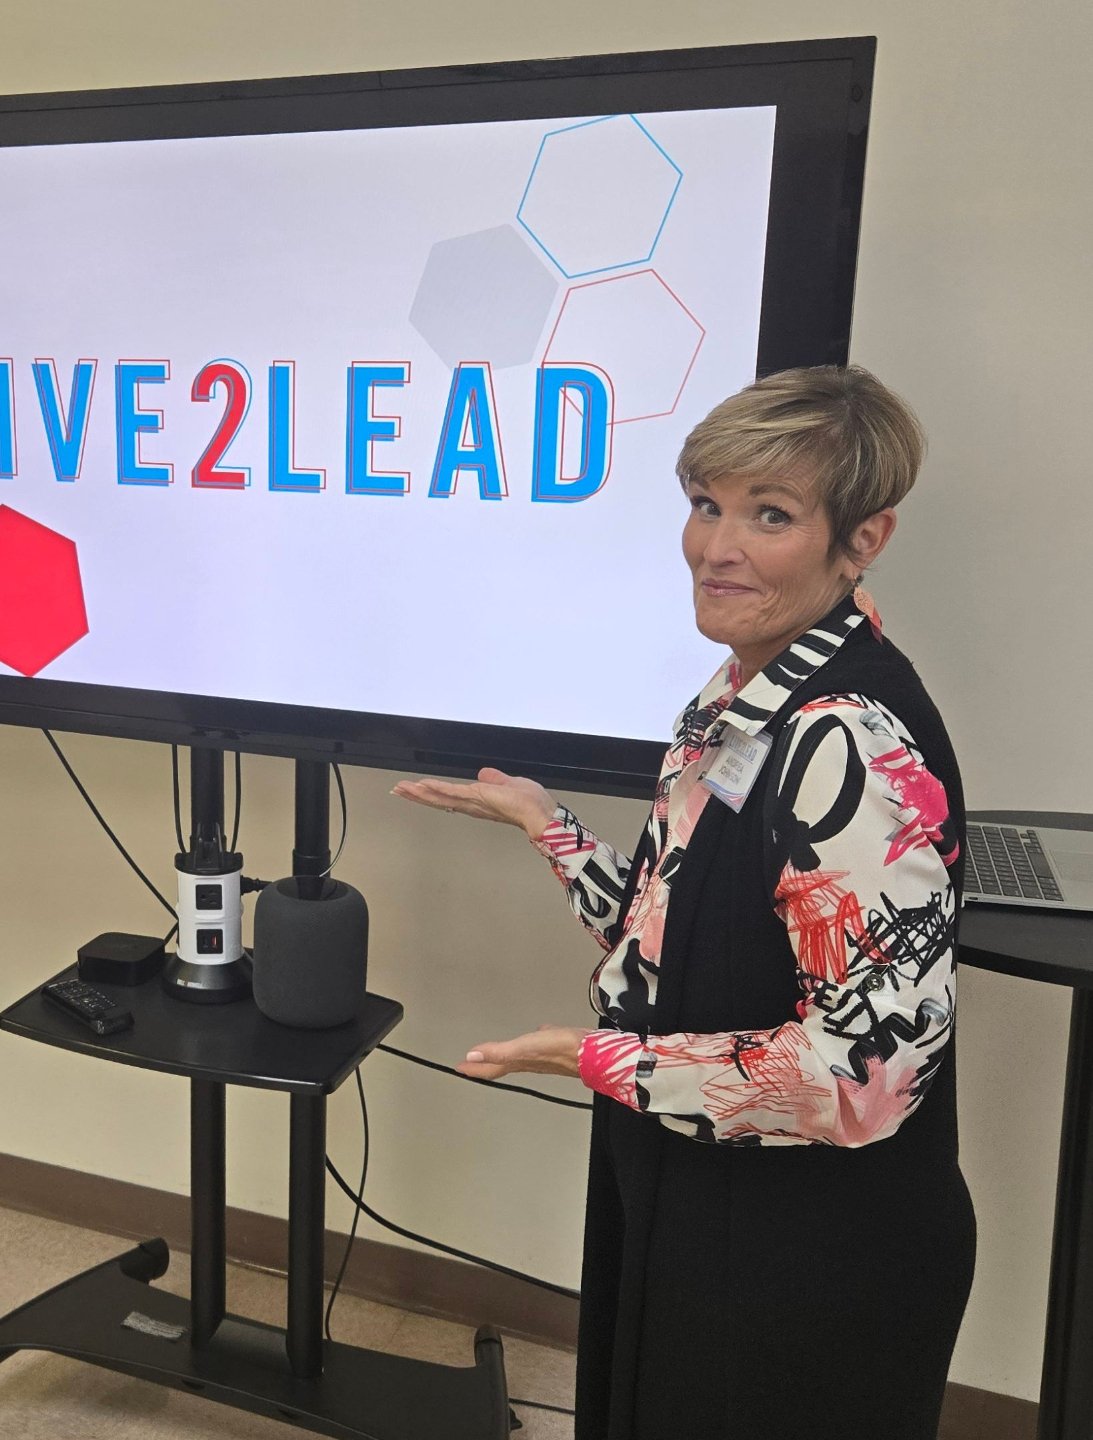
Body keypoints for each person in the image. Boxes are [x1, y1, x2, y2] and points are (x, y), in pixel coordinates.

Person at [395, 367, 972, 1440]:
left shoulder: (846, 738)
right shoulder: (741, 693)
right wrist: (546, 826)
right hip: (694, 1185)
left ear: (864, 539)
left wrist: (598, 1059)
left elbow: (861, 1080)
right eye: (707, 505)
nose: (717, 547)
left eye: (771, 515)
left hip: (807, 1252)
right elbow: (679, 930)